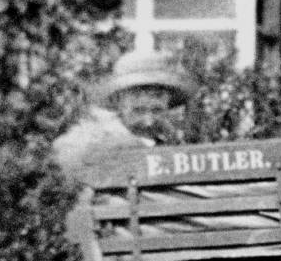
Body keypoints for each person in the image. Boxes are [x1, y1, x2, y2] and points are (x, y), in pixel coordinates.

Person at [53, 50, 195, 172]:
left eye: (157, 111)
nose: (148, 121)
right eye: (138, 111)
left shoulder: (171, 145)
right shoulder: (87, 140)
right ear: (118, 102)